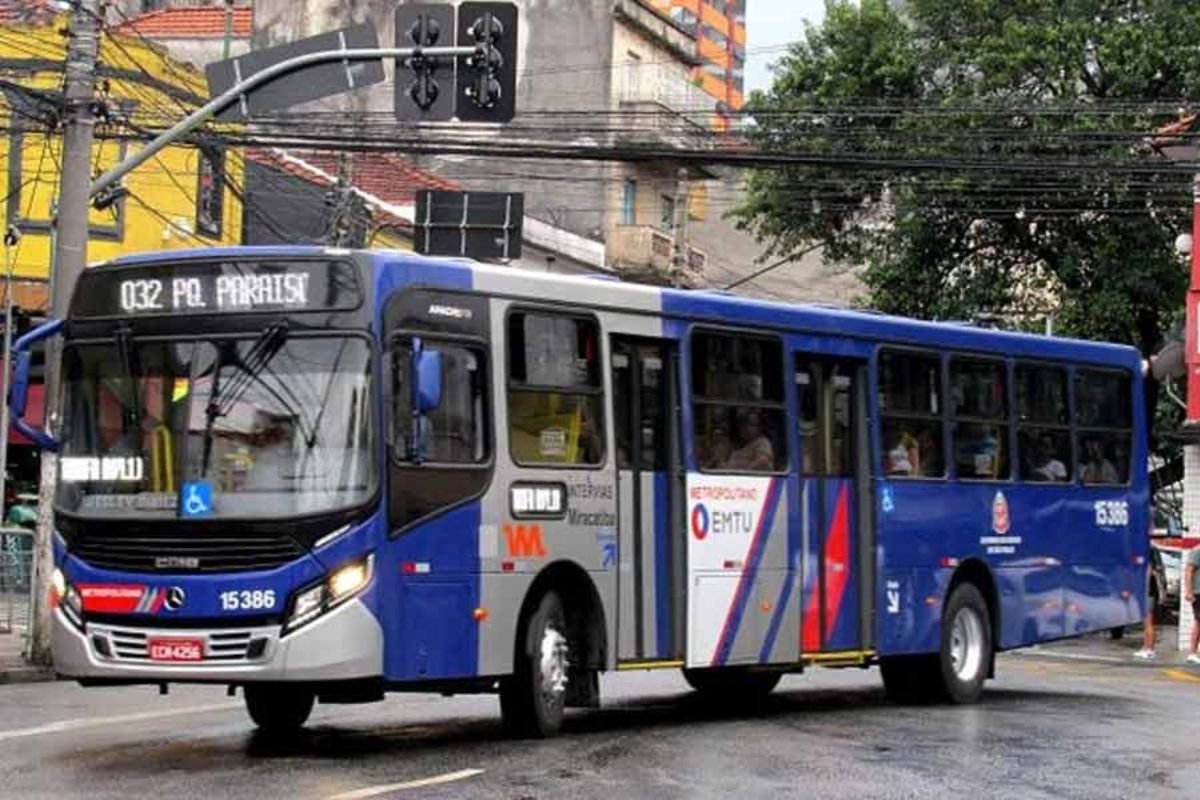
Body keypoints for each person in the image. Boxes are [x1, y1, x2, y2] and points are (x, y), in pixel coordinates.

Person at [1184, 544, 1200, 665]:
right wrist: (1189, 591)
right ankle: (1192, 653)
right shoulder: (1197, 550)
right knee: (1199, 622)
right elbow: (1189, 571)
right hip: (1199, 592)